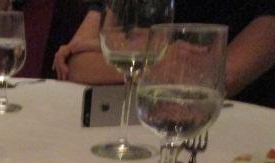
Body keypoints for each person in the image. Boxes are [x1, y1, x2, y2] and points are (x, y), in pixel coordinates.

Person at [52, 0, 275, 108]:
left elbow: (218, 78)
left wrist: (129, 50)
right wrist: (158, 61)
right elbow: (75, 64)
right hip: (134, 125)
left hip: (230, 142)